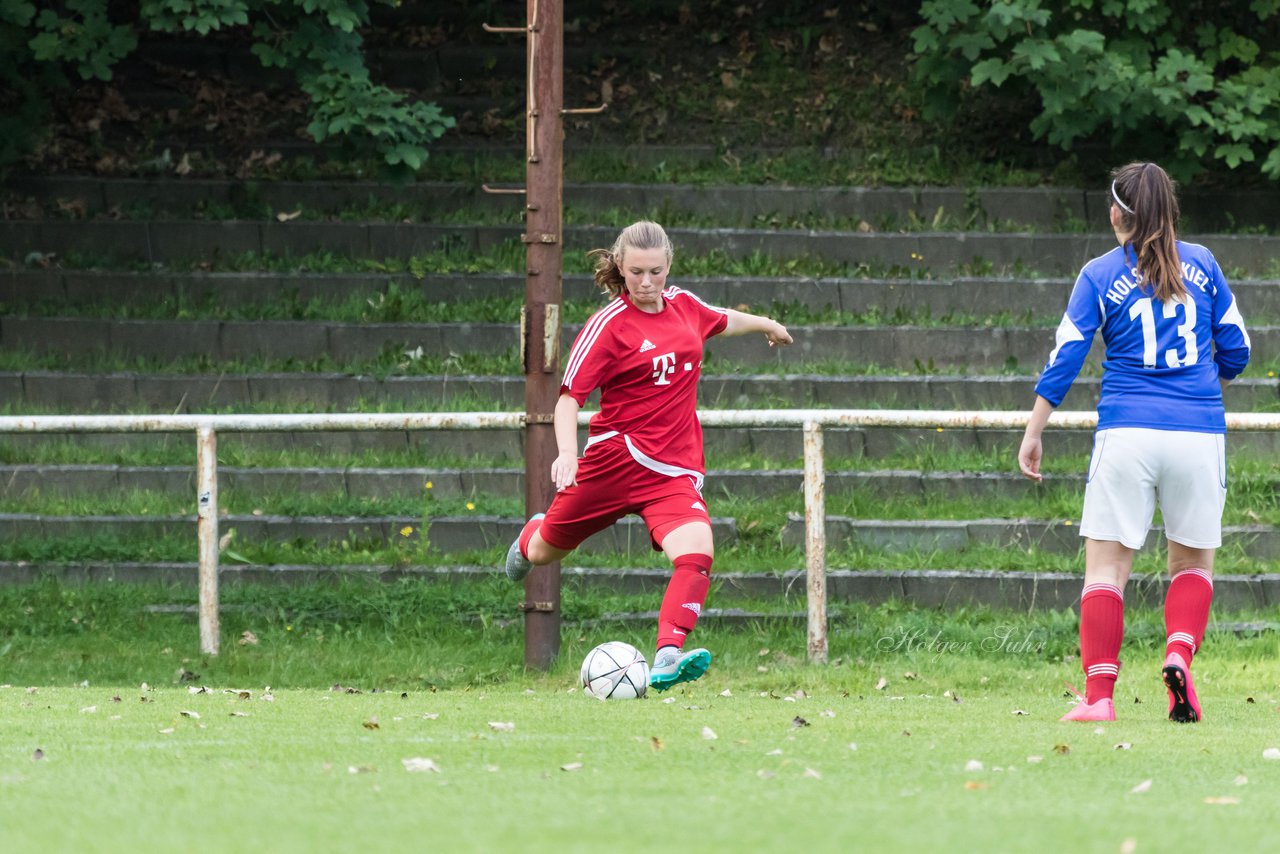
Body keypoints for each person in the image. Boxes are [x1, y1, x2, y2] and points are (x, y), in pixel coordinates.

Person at [504, 220, 793, 691]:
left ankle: (666, 656)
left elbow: (723, 319)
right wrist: (567, 454)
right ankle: (528, 537)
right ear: (620, 266)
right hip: (612, 463)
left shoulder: (685, 307)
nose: (645, 282)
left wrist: (767, 325)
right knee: (545, 551)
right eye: (636, 272)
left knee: (698, 554)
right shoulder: (607, 327)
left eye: (655, 271)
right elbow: (568, 399)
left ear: (668, 266)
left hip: (671, 471)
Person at [1018, 162, 1251, 723]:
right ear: (1169, 211)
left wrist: (1034, 429)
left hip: (1126, 432)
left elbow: (1067, 354)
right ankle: (1177, 652)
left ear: (1117, 212)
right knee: (1192, 564)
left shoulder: (1099, 274)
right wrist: (1194, 387)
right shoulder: (1204, 264)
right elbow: (1238, 348)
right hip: (1197, 433)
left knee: (1105, 572)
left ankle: (1099, 698)